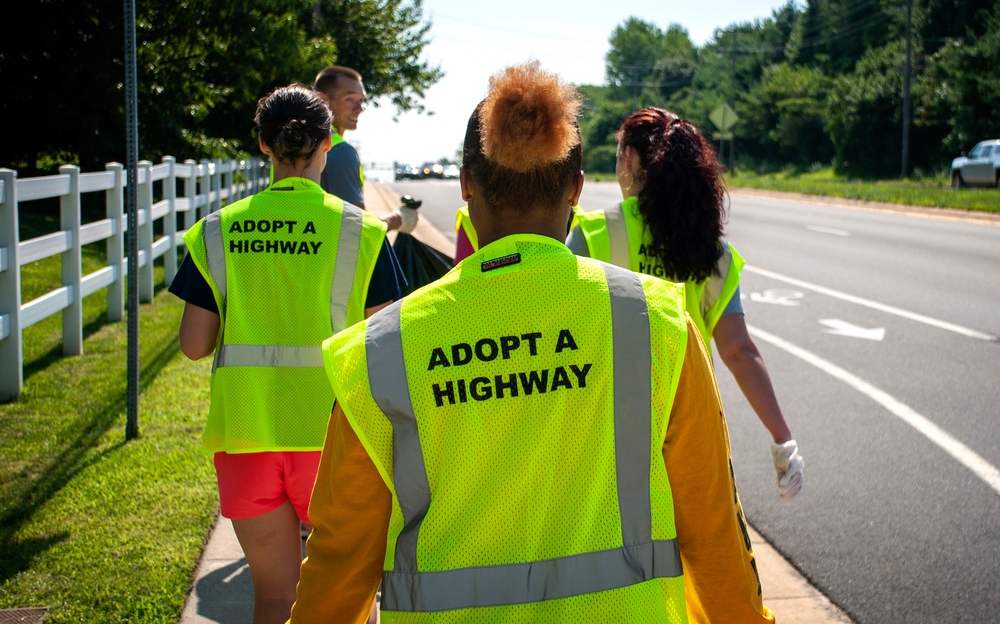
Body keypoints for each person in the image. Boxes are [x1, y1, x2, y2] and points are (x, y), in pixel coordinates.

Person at [289, 62, 774, 623]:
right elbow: (713, 532)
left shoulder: (382, 351)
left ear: (466, 184)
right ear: (576, 188)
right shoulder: (657, 324)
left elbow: (337, 566)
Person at [169, 83, 404, 624]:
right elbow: (387, 346)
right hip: (337, 440)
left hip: (246, 437)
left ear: (263, 144)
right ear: (328, 144)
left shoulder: (218, 231)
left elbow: (193, 344)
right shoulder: (362, 233)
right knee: (348, 599)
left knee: (275, 598)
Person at [566, 107, 804, 504]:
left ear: (629, 159)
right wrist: (783, 439)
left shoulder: (593, 233)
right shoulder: (712, 250)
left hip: (609, 427)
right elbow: (738, 351)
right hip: (692, 426)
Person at [313, 65, 416, 234]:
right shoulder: (340, 151)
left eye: (361, 100)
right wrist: (399, 219)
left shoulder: (291, 144)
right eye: (350, 99)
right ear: (323, 99)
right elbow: (356, 229)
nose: (359, 108)